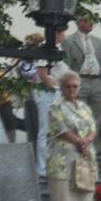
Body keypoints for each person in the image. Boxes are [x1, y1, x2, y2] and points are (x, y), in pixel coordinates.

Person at [46, 71, 97, 201]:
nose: (71, 89)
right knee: (63, 190)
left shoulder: (84, 107)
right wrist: (79, 141)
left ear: (79, 88)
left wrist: (87, 140)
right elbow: (59, 129)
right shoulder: (56, 106)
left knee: (80, 189)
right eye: (67, 86)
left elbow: (92, 128)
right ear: (61, 88)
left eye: (75, 86)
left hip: (84, 154)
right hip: (63, 154)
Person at [35, 27, 69, 177]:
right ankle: (41, 167)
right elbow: (42, 72)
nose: (64, 35)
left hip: (58, 91)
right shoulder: (45, 48)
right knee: (45, 130)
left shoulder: (59, 48)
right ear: (56, 33)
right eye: (62, 32)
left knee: (56, 130)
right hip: (47, 92)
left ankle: (53, 163)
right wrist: (55, 89)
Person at [62, 18, 101, 128]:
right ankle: (80, 142)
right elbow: (66, 64)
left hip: (97, 82)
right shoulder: (68, 40)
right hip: (80, 81)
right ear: (79, 22)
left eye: (92, 21)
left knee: (96, 117)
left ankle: (91, 143)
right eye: (88, 20)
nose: (91, 23)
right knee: (79, 113)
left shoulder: (97, 41)